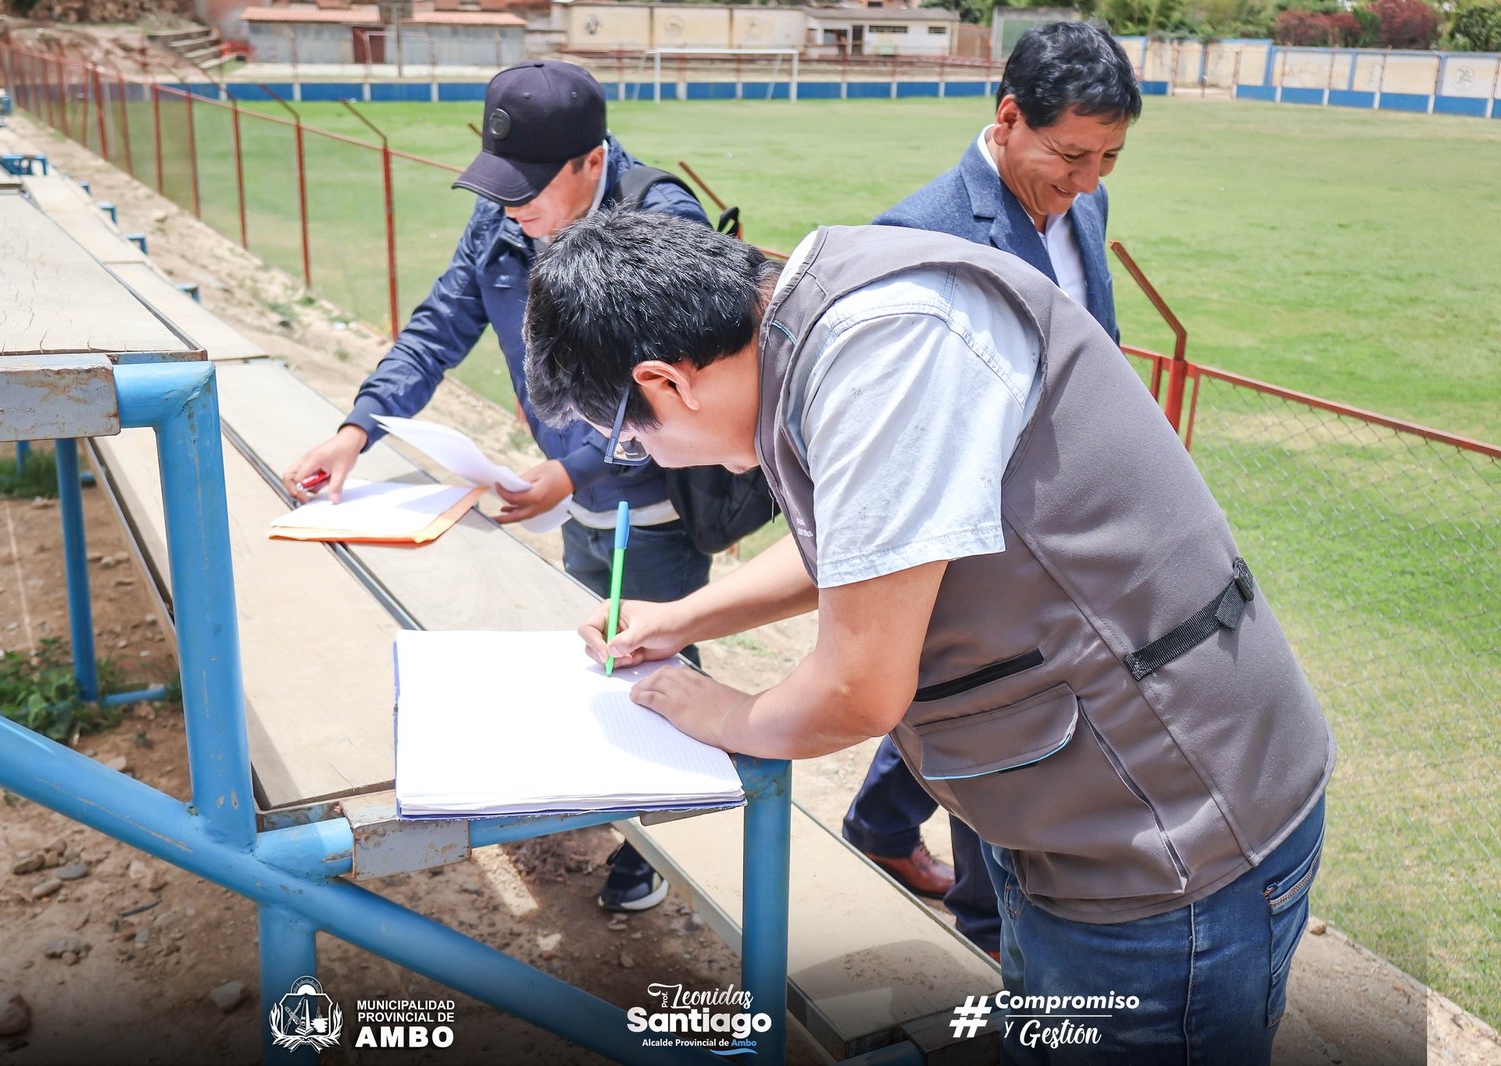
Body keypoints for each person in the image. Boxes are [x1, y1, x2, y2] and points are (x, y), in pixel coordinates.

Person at [522, 207, 1334, 1064]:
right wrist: (686, 617)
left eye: (631, 437)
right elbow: (882, 549)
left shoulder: (882, 355)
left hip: (1170, 843)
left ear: (668, 383)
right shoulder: (808, 330)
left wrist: (716, 711)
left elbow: (856, 689)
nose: (649, 455)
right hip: (1083, 820)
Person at [281, 61, 708, 914]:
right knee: (594, 637)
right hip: (569, 482)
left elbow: (677, 386)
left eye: (529, 186)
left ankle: (664, 840)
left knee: (653, 650)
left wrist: (573, 470)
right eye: (499, 183)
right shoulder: (507, 211)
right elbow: (441, 322)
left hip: (658, 495)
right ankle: (608, 796)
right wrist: (358, 426)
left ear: (591, 162)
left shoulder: (661, 221)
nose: (512, 205)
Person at [843, 19, 1143, 955]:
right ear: (1008, 116)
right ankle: (983, 935)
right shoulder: (915, 234)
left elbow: (1097, 349)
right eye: (1072, 155)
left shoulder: (1082, 206)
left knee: (982, 709)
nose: (1089, 180)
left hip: (1066, 526)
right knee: (997, 717)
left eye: (1110, 157)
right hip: (969, 536)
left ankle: (883, 828)